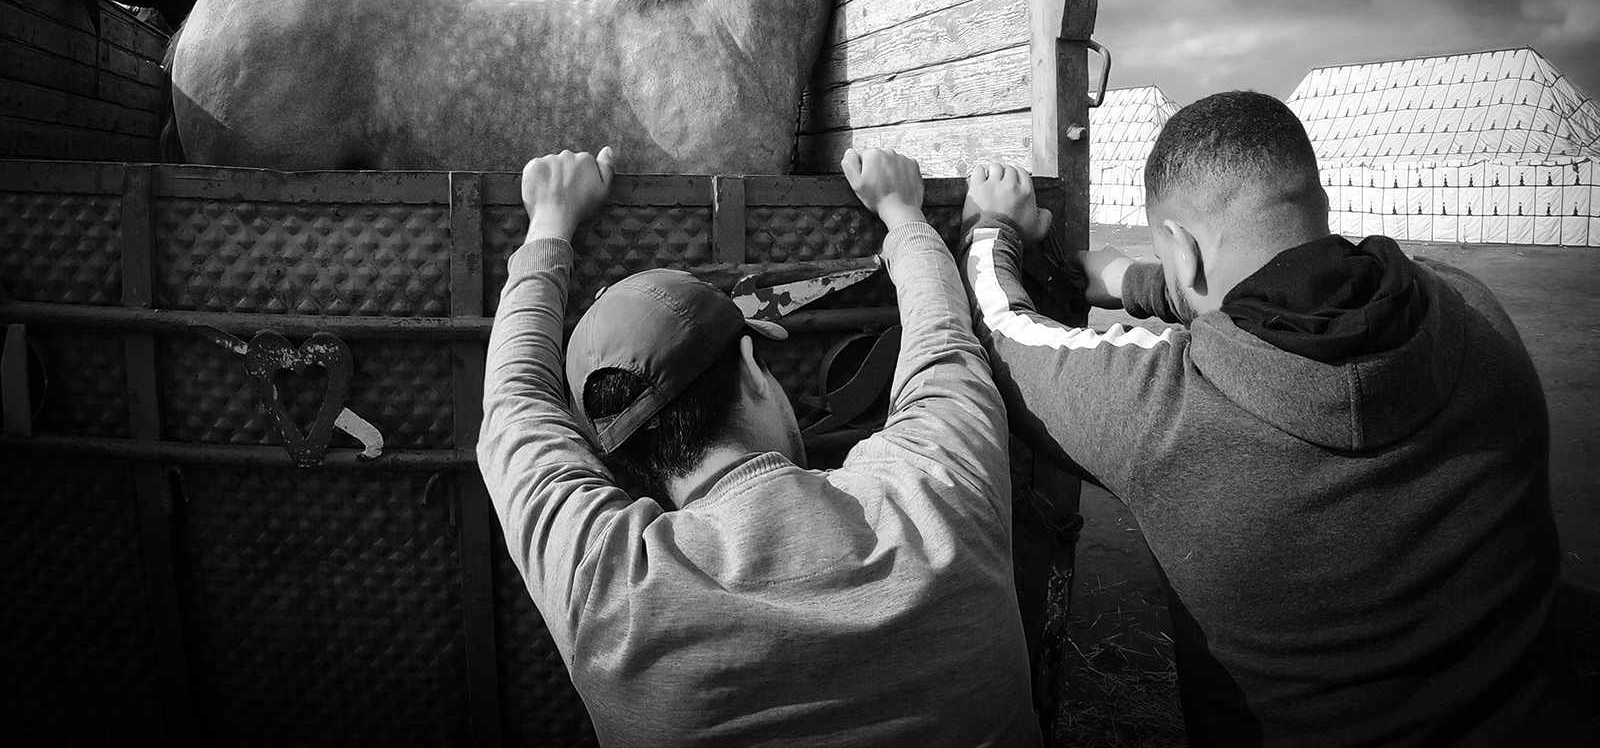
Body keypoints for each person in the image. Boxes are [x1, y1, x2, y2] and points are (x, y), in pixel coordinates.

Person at [960, 90, 1588, 746]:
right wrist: (1140, 281)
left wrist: (992, 225)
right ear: (1318, 204)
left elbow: (1000, 333)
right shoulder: (1474, 311)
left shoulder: (1159, 412)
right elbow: (1295, 281)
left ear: (1184, 250)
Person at [477, 144, 1041, 746]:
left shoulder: (605, 582)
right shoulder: (936, 493)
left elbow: (514, 404)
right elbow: (942, 343)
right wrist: (902, 212)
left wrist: (548, 225)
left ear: (615, 456)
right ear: (750, 366)